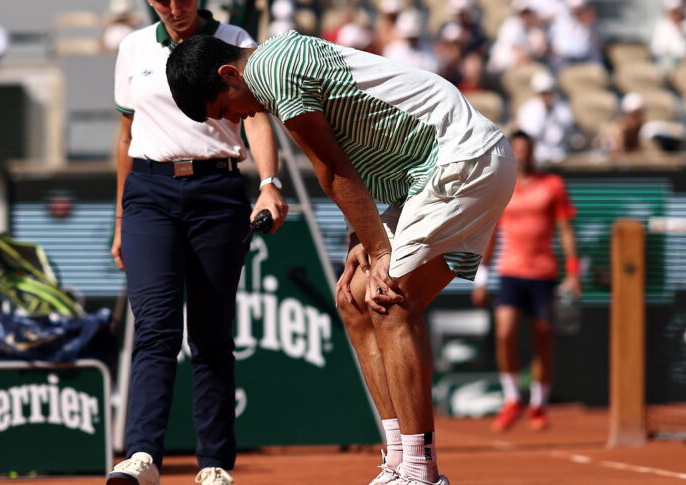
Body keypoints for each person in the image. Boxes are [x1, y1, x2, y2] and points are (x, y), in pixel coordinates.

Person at [167, 31, 516, 485]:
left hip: (461, 160)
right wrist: (361, 240)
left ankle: (421, 470)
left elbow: (330, 167)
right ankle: (397, 461)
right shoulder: (276, 65)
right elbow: (352, 154)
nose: (242, 116)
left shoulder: (273, 71)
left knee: (389, 299)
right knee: (353, 298)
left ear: (229, 74)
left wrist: (380, 250)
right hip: (428, 176)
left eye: (225, 109)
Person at [107, 1, 288, 484]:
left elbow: (254, 116)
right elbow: (126, 134)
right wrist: (122, 216)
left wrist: (270, 181)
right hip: (148, 192)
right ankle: (142, 456)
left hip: (218, 188)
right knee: (156, 329)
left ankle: (214, 465)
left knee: (210, 333)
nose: (173, 7)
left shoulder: (236, 39)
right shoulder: (132, 47)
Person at [472, 130, 580, 432]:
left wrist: (573, 273)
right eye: (516, 149)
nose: (522, 154)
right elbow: (491, 234)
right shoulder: (503, 186)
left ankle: (538, 405)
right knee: (505, 333)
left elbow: (566, 230)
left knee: (542, 339)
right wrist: (481, 278)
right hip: (510, 272)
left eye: (526, 149)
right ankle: (512, 399)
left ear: (533, 152)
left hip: (544, 274)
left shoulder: (553, 185)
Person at [515, 71, 578, 165]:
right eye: (543, 93)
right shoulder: (527, 109)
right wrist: (543, 111)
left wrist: (553, 112)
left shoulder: (562, 108)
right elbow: (532, 133)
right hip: (537, 156)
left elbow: (568, 133)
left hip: (560, 155)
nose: (546, 96)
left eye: (549, 93)